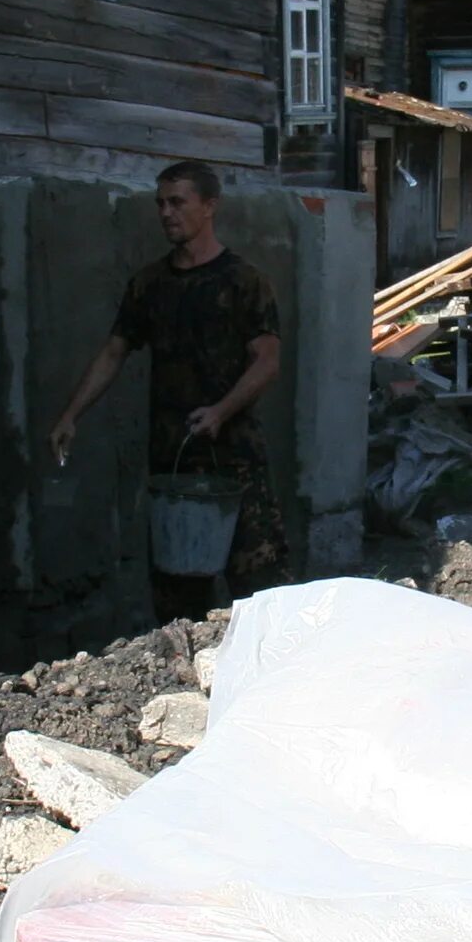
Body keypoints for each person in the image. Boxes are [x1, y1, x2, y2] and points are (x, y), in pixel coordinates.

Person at [50, 160, 286, 620]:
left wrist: (221, 411)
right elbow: (113, 352)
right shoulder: (150, 285)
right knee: (179, 601)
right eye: (160, 203)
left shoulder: (244, 281)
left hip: (236, 462)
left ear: (209, 206)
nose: (166, 213)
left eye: (177, 202)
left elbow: (268, 361)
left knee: (261, 591)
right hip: (173, 462)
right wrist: (70, 415)